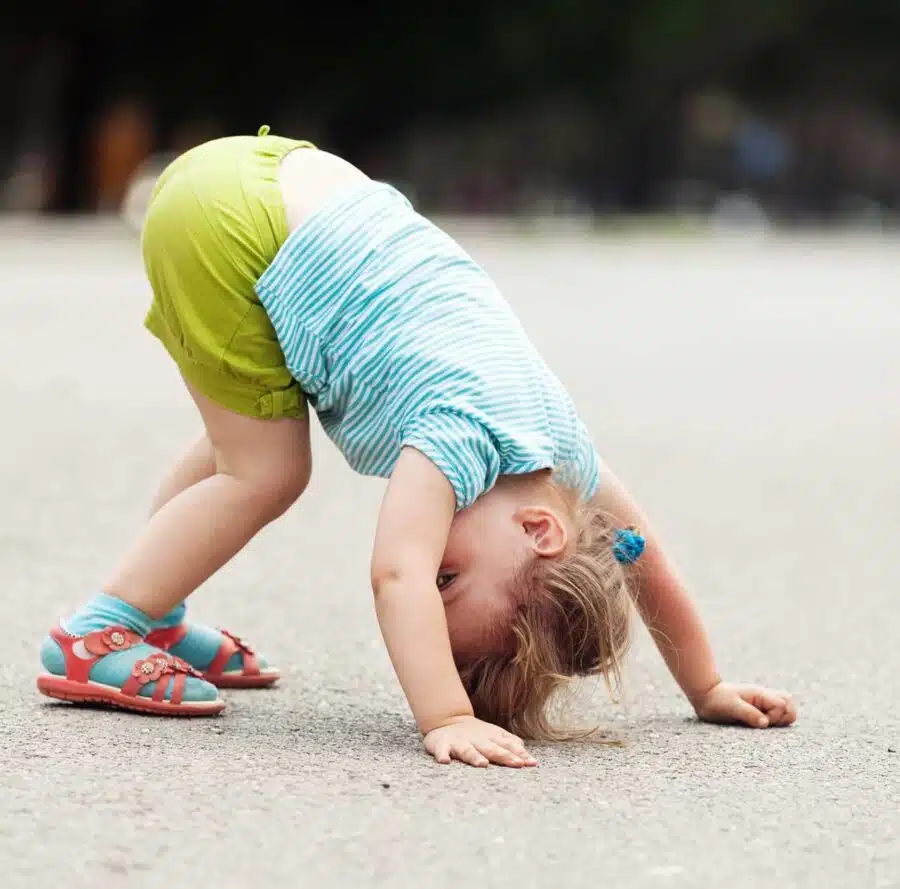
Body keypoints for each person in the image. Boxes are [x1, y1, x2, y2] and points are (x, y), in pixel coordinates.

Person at [37, 127, 796, 766]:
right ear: (538, 529)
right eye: (452, 577)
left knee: (240, 445)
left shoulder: (561, 450)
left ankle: (154, 610)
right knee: (267, 472)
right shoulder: (456, 439)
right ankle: (97, 631)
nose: (431, 572)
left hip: (283, 182)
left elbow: (639, 552)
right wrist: (444, 716)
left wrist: (706, 684)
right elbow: (394, 572)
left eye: (440, 581)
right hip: (238, 227)